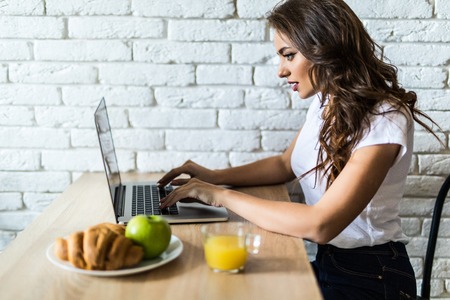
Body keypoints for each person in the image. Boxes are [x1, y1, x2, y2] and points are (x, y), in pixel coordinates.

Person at [158, 0, 440, 299]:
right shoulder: (326, 100)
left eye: (289, 56)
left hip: (372, 276)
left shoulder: (385, 117)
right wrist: (214, 176)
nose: (281, 71)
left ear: (324, 47)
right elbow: (284, 164)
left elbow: (322, 224)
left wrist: (219, 196)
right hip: (328, 262)